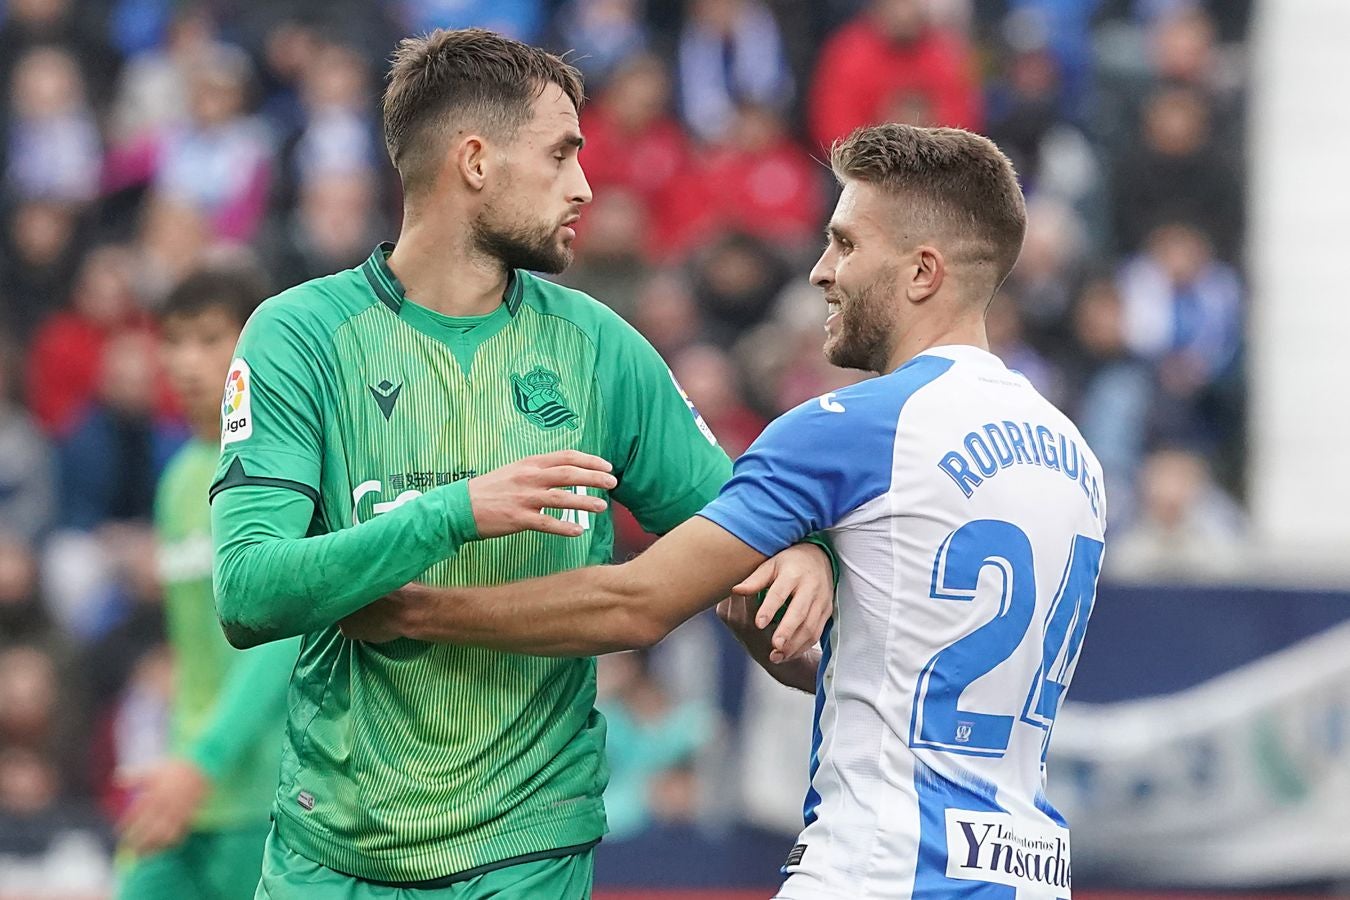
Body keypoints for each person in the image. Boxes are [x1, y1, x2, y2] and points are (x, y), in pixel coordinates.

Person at [343, 123, 1109, 898]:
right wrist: (792, 654)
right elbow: (936, 689)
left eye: (846, 244)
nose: (820, 272)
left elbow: (635, 604)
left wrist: (412, 610)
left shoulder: (851, 428)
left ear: (921, 272)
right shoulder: (1072, 455)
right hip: (1027, 871)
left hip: (883, 868)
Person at [207, 28, 832, 898]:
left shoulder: (599, 348)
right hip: (332, 850)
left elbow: (736, 532)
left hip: (527, 851)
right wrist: (454, 512)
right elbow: (247, 592)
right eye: (561, 154)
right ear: (474, 161)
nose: (584, 186)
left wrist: (799, 550)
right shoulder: (299, 335)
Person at [114, 268, 297, 900]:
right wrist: (176, 762)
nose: (187, 362)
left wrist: (205, 762)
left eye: (209, 338)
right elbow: (195, 658)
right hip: (187, 796)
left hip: (268, 803)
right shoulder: (178, 482)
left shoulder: (283, 471)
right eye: (174, 340)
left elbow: (282, 640)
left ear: (252, 343)